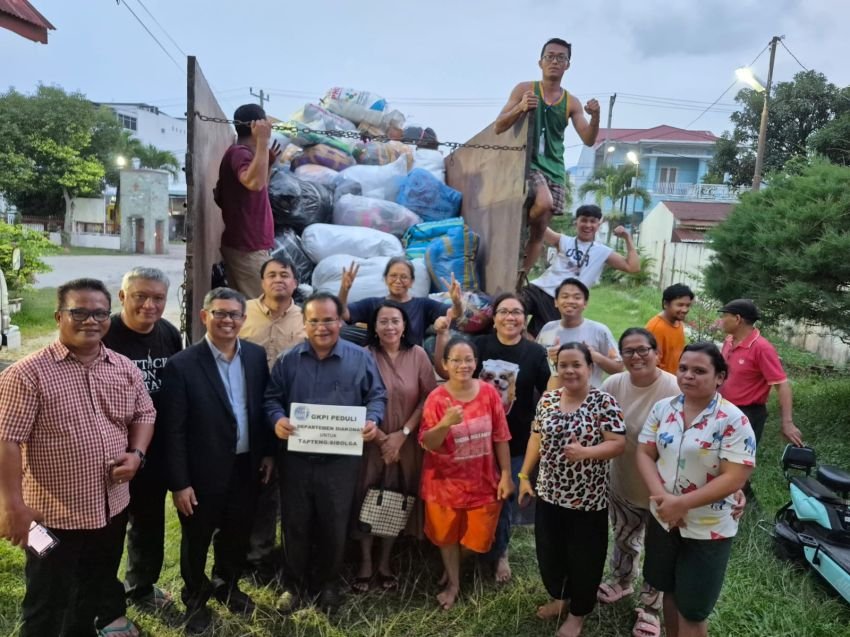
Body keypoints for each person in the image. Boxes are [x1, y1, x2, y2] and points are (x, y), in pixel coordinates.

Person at [0, 278, 155, 637]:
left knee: (93, 591)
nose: (91, 320)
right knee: (46, 601)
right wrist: (11, 507)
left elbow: (145, 414)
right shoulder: (27, 375)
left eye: (100, 313)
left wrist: (136, 454)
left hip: (110, 509)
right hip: (49, 516)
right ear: (58, 316)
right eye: (79, 312)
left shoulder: (122, 367)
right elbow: (6, 441)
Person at [160, 287, 274, 634]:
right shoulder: (182, 365)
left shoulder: (255, 356)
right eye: (220, 313)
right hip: (201, 472)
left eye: (234, 314)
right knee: (197, 538)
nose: (227, 320)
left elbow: (261, 408)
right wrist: (180, 483)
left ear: (244, 318)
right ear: (204, 316)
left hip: (246, 465)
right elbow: (173, 430)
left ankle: (227, 585)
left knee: (237, 533)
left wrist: (267, 452)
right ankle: (195, 599)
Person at [265, 291, 386, 613]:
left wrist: (373, 421)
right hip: (296, 460)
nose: (322, 327)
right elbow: (272, 398)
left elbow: (376, 397)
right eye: (314, 320)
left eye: (329, 320)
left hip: (340, 461)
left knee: (335, 524)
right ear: (304, 324)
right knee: (295, 523)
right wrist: (277, 419)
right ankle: (294, 586)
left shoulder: (360, 358)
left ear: (340, 321)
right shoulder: (289, 360)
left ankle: (329, 584)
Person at [636, 342, 756, 637]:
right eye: (684, 368)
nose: (688, 375)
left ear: (720, 377)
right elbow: (644, 453)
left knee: (694, 608)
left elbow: (734, 477)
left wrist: (682, 504)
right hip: (664, 518)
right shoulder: (664, 408)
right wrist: (664, 501)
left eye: (699, 370)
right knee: (670, 590)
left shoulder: (733, 420)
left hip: (707, 528)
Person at [433, 292, 551, 583]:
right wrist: (442, 334)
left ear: (525, 319)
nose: (510, 317)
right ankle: (465, 551)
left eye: (517, 312)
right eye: (504, 311)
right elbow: (447, 370)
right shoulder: (480, 345)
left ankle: (500, 554)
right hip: (475, 438)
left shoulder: (535, 353)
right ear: (494, 318)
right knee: (478, 497)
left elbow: (548, 393)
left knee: (506, 496)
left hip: (517, 436)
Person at [518, 342, 625, 637]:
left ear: (590, 368)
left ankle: (578, 613)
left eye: (576, 364)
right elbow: (535, 438)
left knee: (584, 558)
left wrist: (586, 453)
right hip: (550, 494)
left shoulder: (604, 402)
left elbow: (618, 443)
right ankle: (560, 598)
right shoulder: (549, 400)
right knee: (550, 553)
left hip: (588, 500)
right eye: (563, 365)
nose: (569, 370)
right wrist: (524, 475)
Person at [101, 267, 183, 610]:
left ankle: (141, 588)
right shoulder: (105, 334)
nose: (149, 305)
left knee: (149, 523)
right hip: (111, 451)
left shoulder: (168, 333)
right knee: (108, 529)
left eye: (158, 298)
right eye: (140, 296)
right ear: (122, 297)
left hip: (154, 447)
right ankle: (103, 597)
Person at [597, 328, 681, 637]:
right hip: (623, 482)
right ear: (620, 356)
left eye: (643, 349)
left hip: (664, 491)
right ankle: (622, 581)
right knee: (623, 537)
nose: (636, 356)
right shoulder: (612, 384)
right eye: (628, 351)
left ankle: (650, 607)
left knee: (659, 550)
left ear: (657, 353)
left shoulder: (674, 388)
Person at [419, 336, 514, 610]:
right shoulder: (437, 398)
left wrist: (506, 474)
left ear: (476, 362)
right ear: (445, 365)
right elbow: (428, 443)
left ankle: (453, 568)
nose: (463, 365)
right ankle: (454, 583)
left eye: (468, 359)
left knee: (479, 540)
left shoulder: (488, 393)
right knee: (446, 536)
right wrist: (446, 423)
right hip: (443, 484)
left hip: (484, 482)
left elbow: (500, 437)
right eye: (456, 360)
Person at [495, 38, 601, 281]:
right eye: (550, 56)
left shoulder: (571, 102)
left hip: (554, 169)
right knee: (542, 202)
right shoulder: (525, 89)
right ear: (540, 62)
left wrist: (595, 117)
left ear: (568, 65)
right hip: (527, 165)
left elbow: (587, 138)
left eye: (560, 58)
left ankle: (519, 279)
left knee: (540, 232)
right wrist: (521, 107)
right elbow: (500, 125)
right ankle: (518, 227)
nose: (554, 61)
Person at [352, 301, 437, 593]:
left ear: (404, 326)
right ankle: (364, 560)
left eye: (395, 321)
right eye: (383, 321)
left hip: (407, 443)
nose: (390, 327)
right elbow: (353, 398)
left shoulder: (418, 355)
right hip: (369, 440)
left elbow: (428, 397)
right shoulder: (361, 355)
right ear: (373, 327)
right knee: (366, 496)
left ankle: (386, 561)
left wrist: (402, 434)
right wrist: (380, 438)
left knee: (397, 497)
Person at [239, 256, 306, 578]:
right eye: (272, 275)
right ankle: (236, 550)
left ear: (295, 282)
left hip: (292, 414)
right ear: (262, 281)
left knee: (278, 485)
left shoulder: (307, 318)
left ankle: (263, 557)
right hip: (247, 410)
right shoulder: (243, 313)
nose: (279, 279)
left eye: (285, 275)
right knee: (246, 482)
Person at [522, 205, 639, 336]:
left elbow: (632, 267)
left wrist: (627, 238)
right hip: (538, 290)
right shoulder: (564, 240)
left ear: (598, 225)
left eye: (593, 221)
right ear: (576, 222)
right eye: (584, 220)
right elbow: (540, 227)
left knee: (539, 338)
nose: (588, 225)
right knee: (510, 309)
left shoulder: (603, 251)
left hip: (560, 302)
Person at [215, 103, 281, 299]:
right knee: (266, 307)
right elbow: (253, 183)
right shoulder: (240, 153)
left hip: (249, 247)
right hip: (247, 249)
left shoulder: (246, 154)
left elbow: (258, 190)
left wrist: (267, 162)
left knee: (248, 309)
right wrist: (262, 142)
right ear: (257, 125)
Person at [717, 299, 803, 446]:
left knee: (737, 462)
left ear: (737, 319)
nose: (721, 320)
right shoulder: (729, 340)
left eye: (725, 316)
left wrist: (787, 422)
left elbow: (782, 385)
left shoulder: (762, 348)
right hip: (722, 409)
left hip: (747, 414)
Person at [337, 256, 463, 347]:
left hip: (411, 364)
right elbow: (343, 313)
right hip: (379, 364)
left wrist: (457, 302)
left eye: (404, 277)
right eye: (393, 276)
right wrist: (344, 290)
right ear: (385, 279)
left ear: (412, 281)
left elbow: (453, 314)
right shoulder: (372, 304)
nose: (398, 281)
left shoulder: (423, 305)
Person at [536, 277, 623, 388]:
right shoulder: (548, 329)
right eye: (565, 296)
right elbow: (536, 362)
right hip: (554, 397)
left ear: (585, 303)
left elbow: (619, 368)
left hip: (589, 399)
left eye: (577, 297)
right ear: (556, 302)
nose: (570, 301)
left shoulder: (599, 330)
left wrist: (595, 356)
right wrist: (549, 358)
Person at [645, 284, 694, 375]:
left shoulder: (678, 323)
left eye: (687, 305)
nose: (685, 309)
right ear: (666, 304)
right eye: (680, 305)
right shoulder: (656, 328)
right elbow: (650, 364)